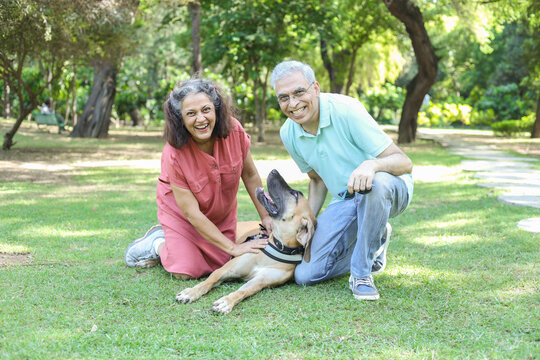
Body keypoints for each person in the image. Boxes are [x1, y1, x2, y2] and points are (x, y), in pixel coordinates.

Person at [270, 61, 413, 301]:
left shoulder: (347, 110)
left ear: (315, 88)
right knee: (305, 275)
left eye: (299, 92)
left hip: (389, 190)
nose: (293, 104)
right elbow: (316, 180)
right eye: (284, 98)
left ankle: (362, 274)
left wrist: (372, 165)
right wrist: (308, 221)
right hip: (345, 200)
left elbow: (404, 162)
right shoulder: (289, 132)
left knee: (375, 184)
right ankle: (375, 242)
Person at [124, 79, 272, 280]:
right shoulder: (173, 154)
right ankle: (157, 243)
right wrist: (234, 247)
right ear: (180, 119)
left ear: (216, 110)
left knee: (223, 263)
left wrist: (266, 215)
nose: (201, 119)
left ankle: (199, 246)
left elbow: (250, 175)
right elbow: (192, 214)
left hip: (221, 213)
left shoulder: (234, 130)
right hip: (182, 216)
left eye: (206, 110)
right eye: (191, 114)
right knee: (185, 272)